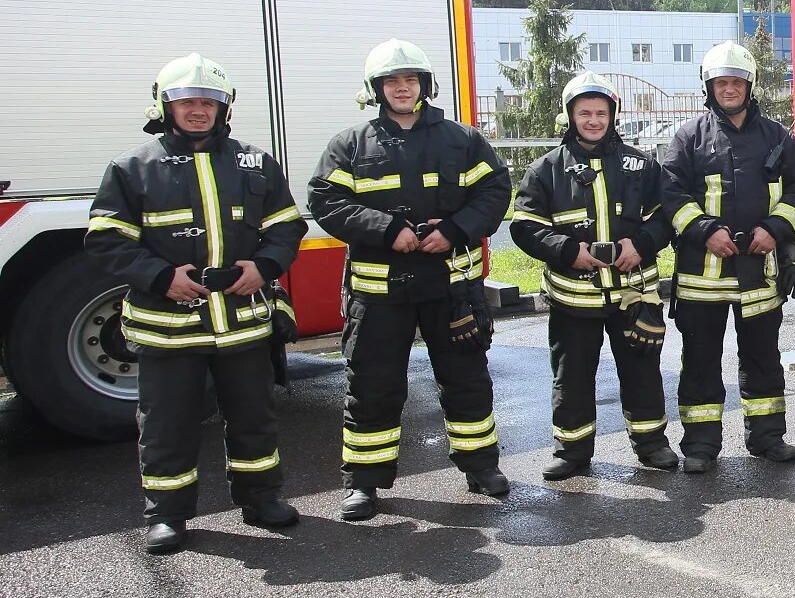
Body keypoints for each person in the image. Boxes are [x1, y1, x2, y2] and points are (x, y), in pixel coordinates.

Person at [86, 55, 307, 554]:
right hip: (169, 328)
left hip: (243, 323)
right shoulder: (132, 168)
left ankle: (261, 498)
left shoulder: (255, 162)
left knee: (254, 417)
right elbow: (107, 241)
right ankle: (167, 515)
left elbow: (286, 226)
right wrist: (161, 277)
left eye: (209, 102)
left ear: (224, 108)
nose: (198, 111)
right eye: (187, 102)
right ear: (165, 106)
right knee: (166, 424)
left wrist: (264, 268)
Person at [310, 39, 512, 520]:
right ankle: (364, 482)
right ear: (376, 89)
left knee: (466, 379)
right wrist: (387, 231)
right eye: (391, 81)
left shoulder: (462, 140)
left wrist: (456, 231)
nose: (402, 88)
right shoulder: (351, 145)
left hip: (450, 287)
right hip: (379, 293)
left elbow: (495, 190)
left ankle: (481, 467)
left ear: (425, 85)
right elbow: (326, 202)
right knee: (373, 386)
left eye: (410, 80)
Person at [510, 72, 677, 479]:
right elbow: (525, 225)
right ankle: (572, 452)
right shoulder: (545, 169)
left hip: (632, 295)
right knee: (572, 376)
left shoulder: (640, 165)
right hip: (574, 300)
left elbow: (669, 216)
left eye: (601, 112)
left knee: (641, 372)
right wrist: (568, 251)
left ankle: (652, 443)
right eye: (584, 112)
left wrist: (640, 245)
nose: (593, 120)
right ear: (570, 116)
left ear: (613, 115)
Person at [659, 41, 795, 470]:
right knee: (701, 362)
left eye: (737, 82)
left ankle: (767, 438)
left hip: (759, 273)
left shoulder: (777, 137)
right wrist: (705, 231)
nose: (730, 89)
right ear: (709, 86)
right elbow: (670, 192)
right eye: (721, 82)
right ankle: (701, 446)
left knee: (763, 359)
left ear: (750, 85)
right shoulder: (690, 136)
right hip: (702, 275)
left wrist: (773, 229)